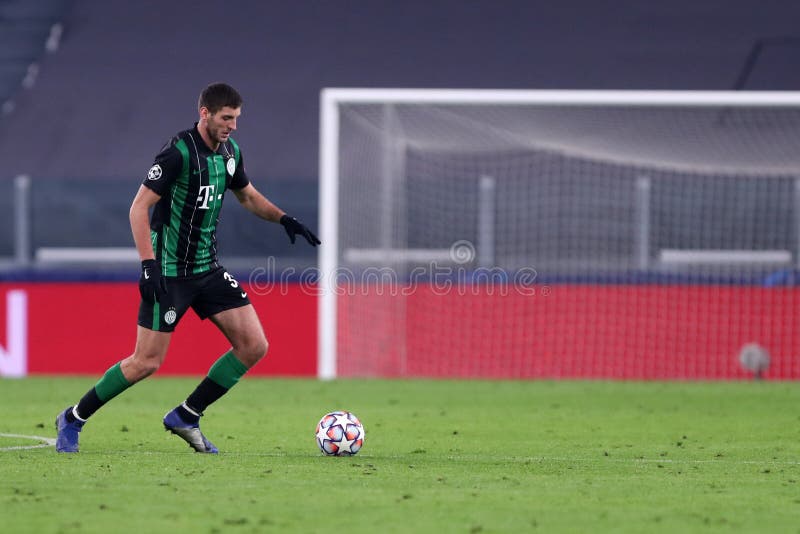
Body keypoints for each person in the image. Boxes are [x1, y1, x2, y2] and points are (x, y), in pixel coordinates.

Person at [55, 82, 320, 453]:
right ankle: (73, 418)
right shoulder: (178, 152)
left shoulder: (230, 153)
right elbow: (138, 208)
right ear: (205, 114)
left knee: (253, 345)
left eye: (236, 118)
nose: (233, 125)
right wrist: (148, 266)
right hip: (169, 274)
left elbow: (247, 195)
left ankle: (187, 414)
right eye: (227, 118)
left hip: (207, 271)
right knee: (145, 362)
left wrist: (284, 219)